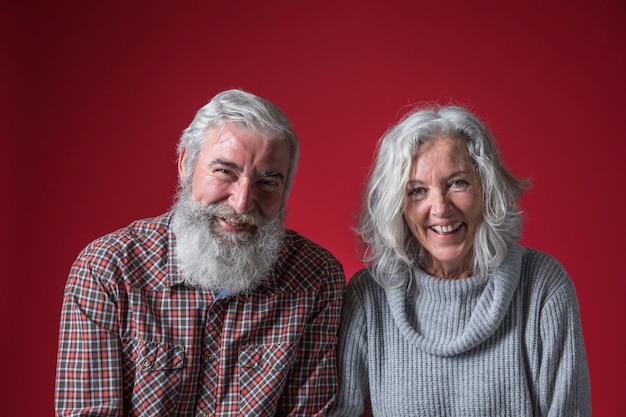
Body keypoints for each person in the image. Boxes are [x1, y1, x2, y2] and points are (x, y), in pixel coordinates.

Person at [55, 89, 345, 416]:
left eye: (267, 183)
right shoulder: (108, 269)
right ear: (185, 164)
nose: (241, 203)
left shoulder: (316, 277)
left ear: (286, 189)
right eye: (225, 172)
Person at [329, 105, 591, 416]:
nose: (440, 208)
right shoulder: (369, 296)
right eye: (417, 191)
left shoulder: (542, 286)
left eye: (458, 183)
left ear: (486, 188)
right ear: (397, 205)